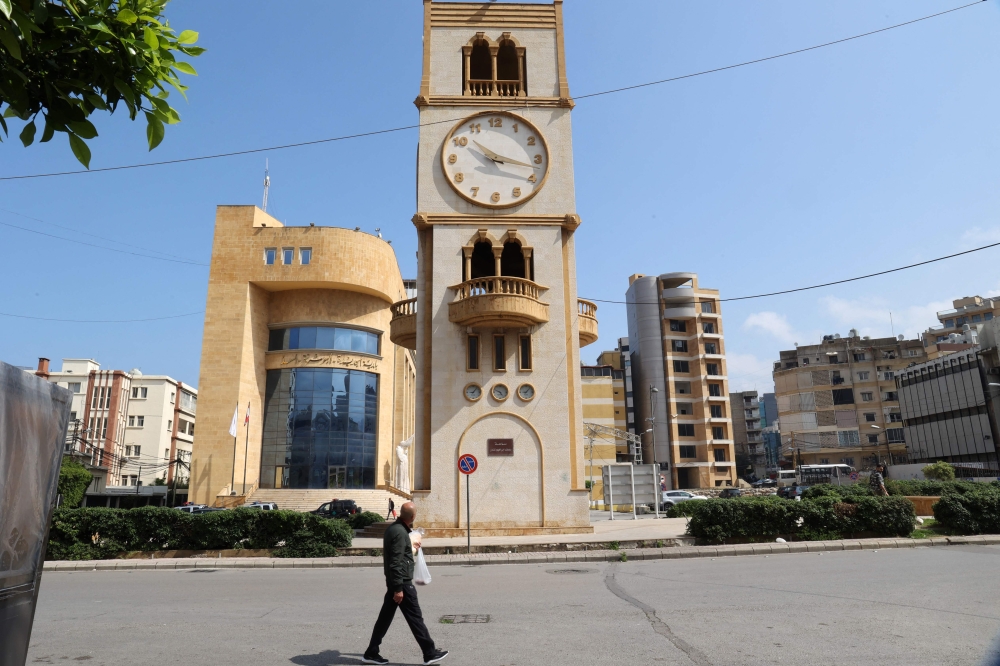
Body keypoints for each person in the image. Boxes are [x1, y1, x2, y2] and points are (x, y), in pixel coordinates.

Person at [363, 502, 448, 666]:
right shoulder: (400, 533)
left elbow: (399, 554)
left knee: (384, 619)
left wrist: (412, 547)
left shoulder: (395, 529)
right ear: (413, 517)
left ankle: (371, 652)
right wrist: (398, 588)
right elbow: (396, 562)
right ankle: (429, 653)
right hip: (402, 583)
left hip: (396, 582)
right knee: (415, 618)